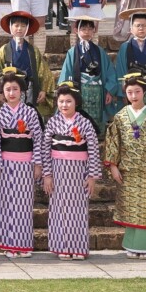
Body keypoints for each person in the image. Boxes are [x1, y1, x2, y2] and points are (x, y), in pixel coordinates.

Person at [104, 70, 146, 260]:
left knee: (145, 208)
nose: (133, 96)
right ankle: (131, 245)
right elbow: (113, 142)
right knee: (129, 208)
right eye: (129, 92)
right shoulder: (120, 117)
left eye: (137, 92)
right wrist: (113, 166)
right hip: (127, 171)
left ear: (144, 92)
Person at [0, 68, 45, 258]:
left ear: (22, 91)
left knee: (24, 205)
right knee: (6, 204)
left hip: (26, 164)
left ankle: (24, 244)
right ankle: (8, 243)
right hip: (5, 164)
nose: (11, 93)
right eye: (7, 89)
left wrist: (37, 164)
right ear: (2, 93)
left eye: (15, 89)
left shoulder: (30, 113)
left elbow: (38, 140)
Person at [42, 82, 102, 260]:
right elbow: (45, 150)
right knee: (59, 209)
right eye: (61, 101)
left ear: (76, 102)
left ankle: (78, 247)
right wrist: (47, 175)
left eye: (68, 101)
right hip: (58, 170)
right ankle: (61, 246)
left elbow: (93, 150)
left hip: (79, 171)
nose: (64, 105)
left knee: (79, 210)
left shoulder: (85, 123)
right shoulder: (53, 122)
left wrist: (92, 176)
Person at [0, 11, 55, 119]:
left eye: (23, 26)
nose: (19, 29)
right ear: (10, 27)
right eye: (16, 25)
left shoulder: (33, 50)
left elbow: (43, 71)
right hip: (10, 91)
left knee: (29, 118)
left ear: (27, 28)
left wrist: (43, 90)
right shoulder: (4, 50)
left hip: (29, 90)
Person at [58, 17, 119, 130]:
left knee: (96, 121)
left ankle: (97, 134)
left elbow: (110, 72)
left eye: (90, 29)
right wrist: (66, 91)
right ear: (76, 30)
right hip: (81, 90)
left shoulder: (100, 51)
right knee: (80, 120)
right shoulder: (72, 52)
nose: (87, 32)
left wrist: (109, 91)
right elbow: (66, 73)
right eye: (83, 29)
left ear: (94, 31)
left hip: (97, 90)